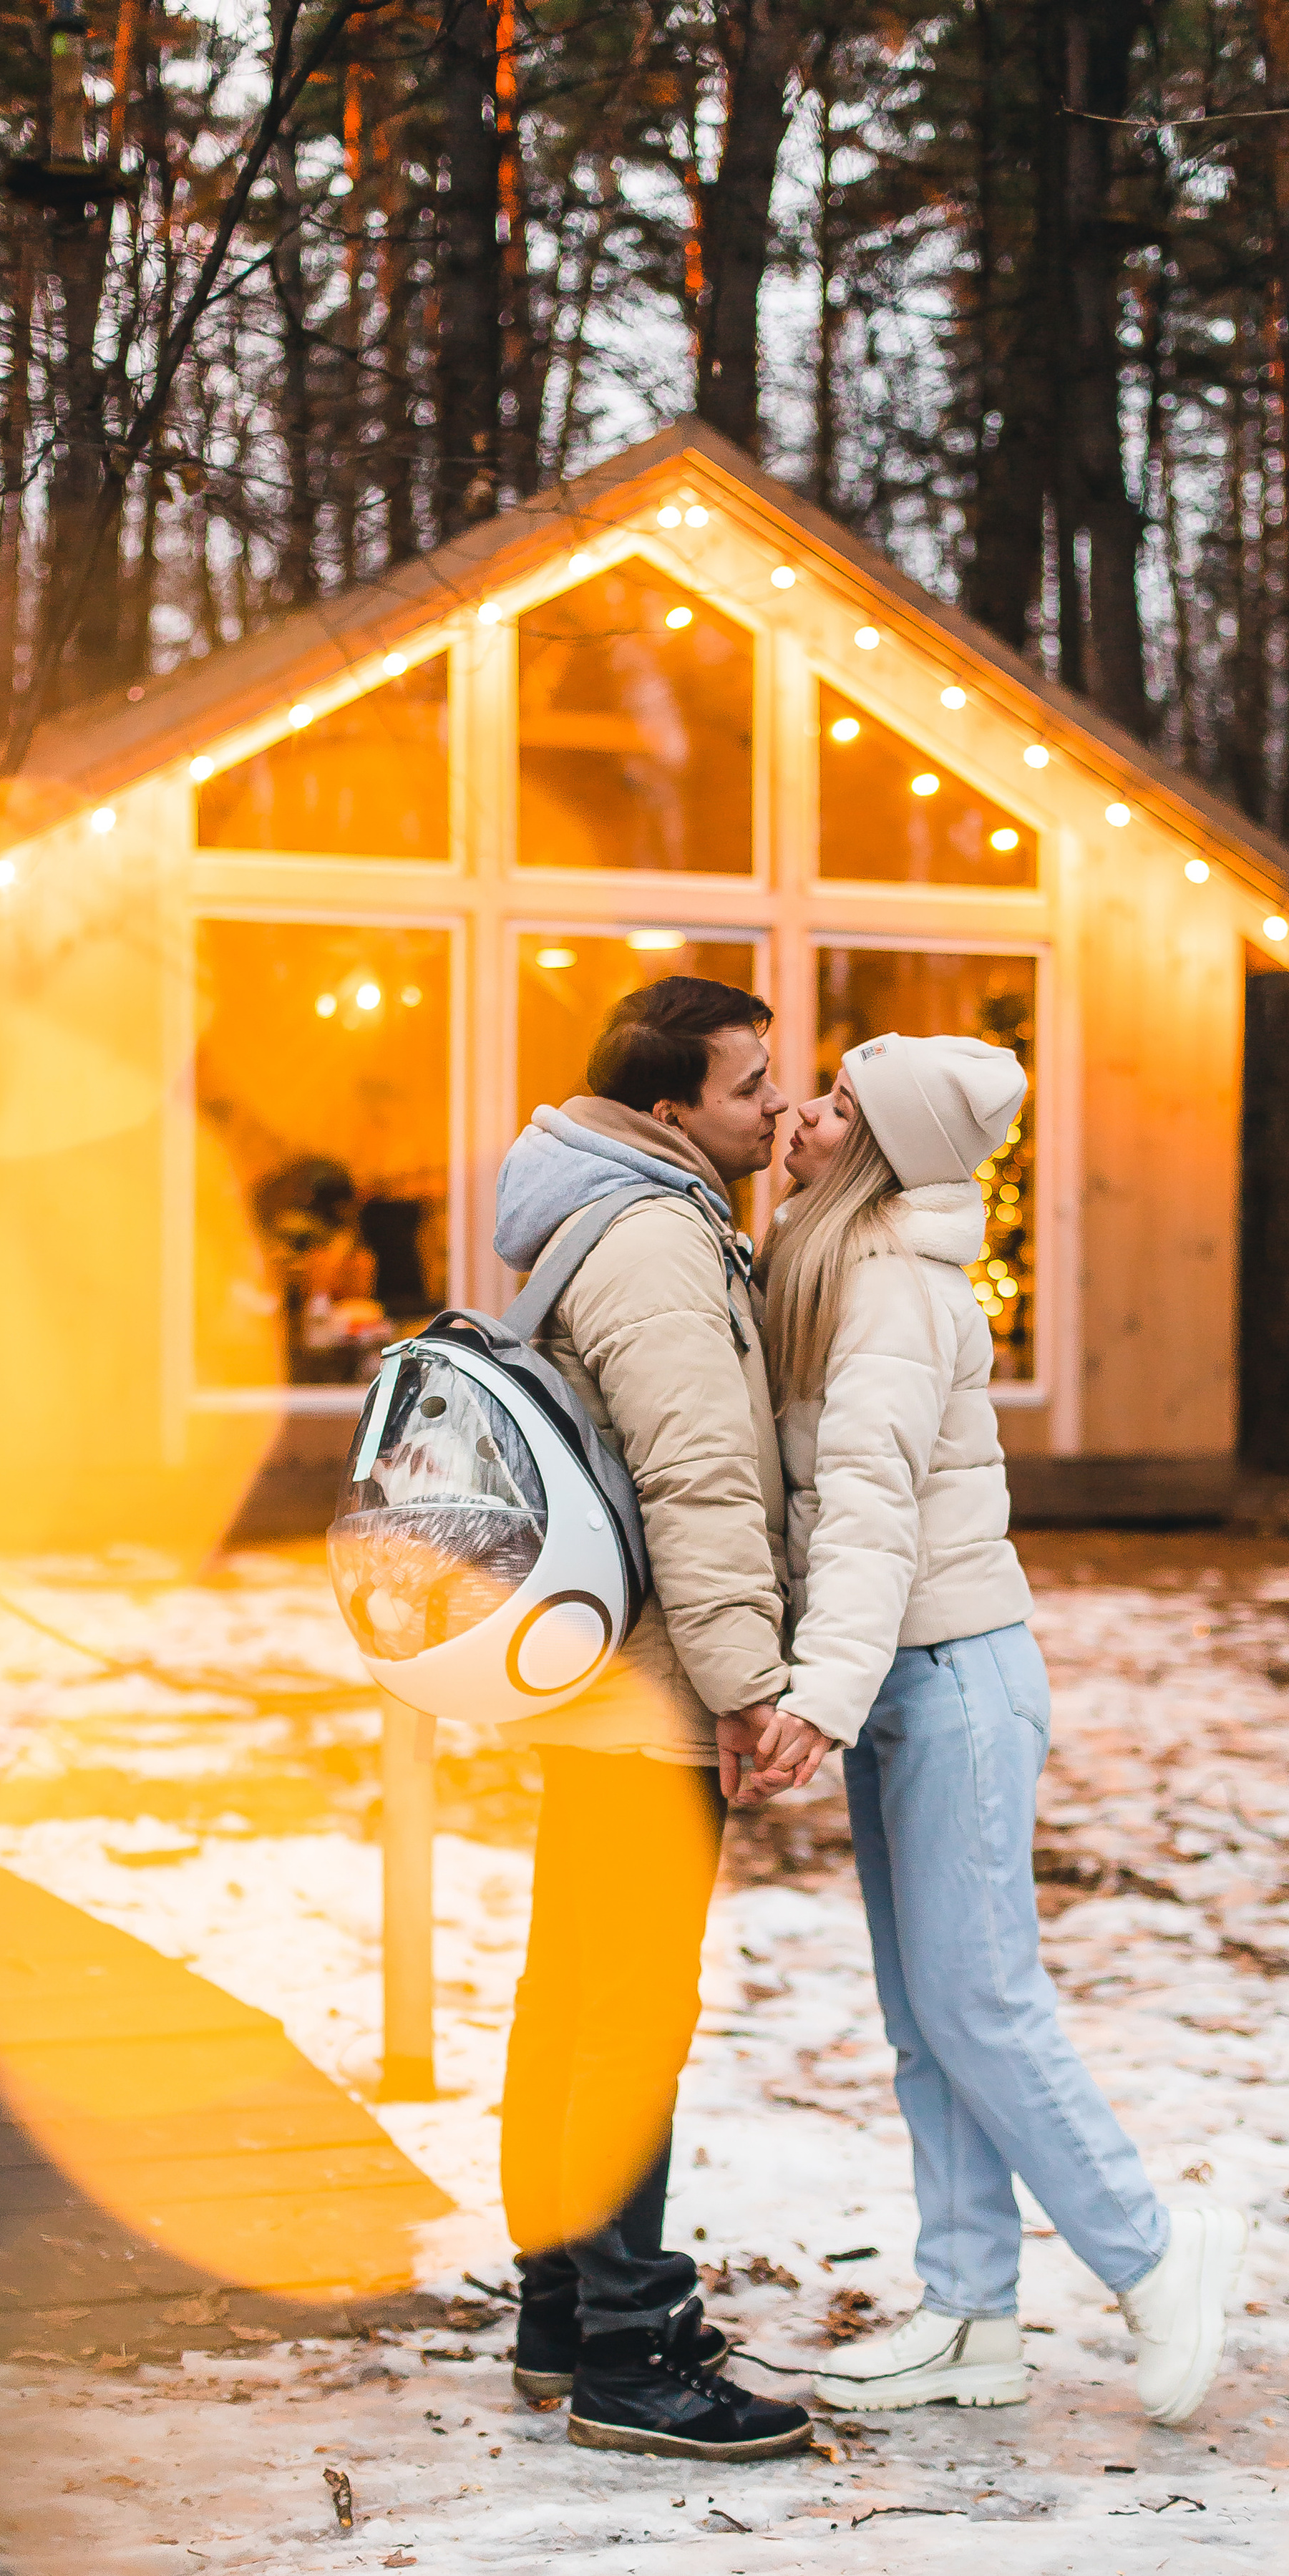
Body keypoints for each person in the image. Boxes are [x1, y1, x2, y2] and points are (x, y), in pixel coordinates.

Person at [754, 1032, 1245, 2428]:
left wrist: (814, 1696)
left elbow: (864, 1507)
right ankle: (968, 2316)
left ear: (876, 1149)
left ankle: (1155, 2254)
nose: (803, 1111)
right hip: (906, 1675)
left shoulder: (895, 1292)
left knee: (979, 2001)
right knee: (928, 2020)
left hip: (951, 1677)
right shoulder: (830, 1263)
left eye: (836, 1103)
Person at [491, 975, 829, 2462]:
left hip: (593, 1682)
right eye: (751, 1086)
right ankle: (629, 2348)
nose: (774, 1105)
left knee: (572, 1995)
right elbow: (701, 1482)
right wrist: (748, 1687)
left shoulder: (624, 1211)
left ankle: (563, 2312)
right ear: (665, 1110)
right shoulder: (649, 1240)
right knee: (624, 2012)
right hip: (645, 1696)